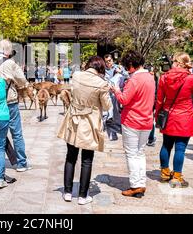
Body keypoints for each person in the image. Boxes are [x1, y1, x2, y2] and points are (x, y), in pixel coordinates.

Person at [57, 56, 112, 205]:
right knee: (87, 160)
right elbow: (107, 106)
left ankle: (67, 192)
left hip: (73, 119)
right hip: (90, 122)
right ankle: (82, 196)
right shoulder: (102, 84)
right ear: (100, 68)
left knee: (71, 156)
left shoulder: (76, 75)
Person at [110, 51, 155, 198]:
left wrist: (116, 90)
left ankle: (135, 185)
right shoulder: (150, 77)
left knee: (131, 154)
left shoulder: (134, 80)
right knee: (140, 152)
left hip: (132, 120)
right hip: (147, 120)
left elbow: (123, 99)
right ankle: (141, 183)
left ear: (131, 65)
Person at [155, 53, 193, 188]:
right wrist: (191, 73)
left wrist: (157, 115)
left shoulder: (164, 77)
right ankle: (176, 177)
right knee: (180, 149)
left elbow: (159, 99)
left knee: (166, 145)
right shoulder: (190, 78)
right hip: (185, 117)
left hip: (169, 115)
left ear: (175, 62)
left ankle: (164, 172)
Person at [0, 40, 31, 172]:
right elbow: (22, 81)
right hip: (9, 101)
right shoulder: (10, 63)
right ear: (8, 51)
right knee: (16, 133)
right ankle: (21, 162)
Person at [103, 54, 128, 141]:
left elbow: (127, 76)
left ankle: (117, 129)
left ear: (112, 60)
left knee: (115, 112)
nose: (108, 63)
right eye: (106, 62)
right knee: (111, 113)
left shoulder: (119, 67)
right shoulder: (104, 70)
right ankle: (112, 134)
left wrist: (121, 72)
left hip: (117, 92)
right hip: (108, 93)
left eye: (109, 61)